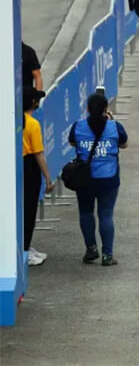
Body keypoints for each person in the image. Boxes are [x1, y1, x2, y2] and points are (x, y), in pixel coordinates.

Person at [69, 93, 128, 266]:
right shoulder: (114, 127)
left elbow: (73, 143)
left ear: (87, 109)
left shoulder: (78, 127)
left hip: (85, 179)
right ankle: (107, 255)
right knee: (106, 214)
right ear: (105, 109)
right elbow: (124, 144)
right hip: (108, 178)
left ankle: (91, 249)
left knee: (86, 213)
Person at [22, 86, 54, 266]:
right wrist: (48, 178)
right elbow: (38, 154)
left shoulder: (17, 120)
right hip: (30, 168)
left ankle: (25, 246)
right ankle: (25, 250)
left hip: (19, 166)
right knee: (29, 210)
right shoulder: (32, 124)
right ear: (33, 103)